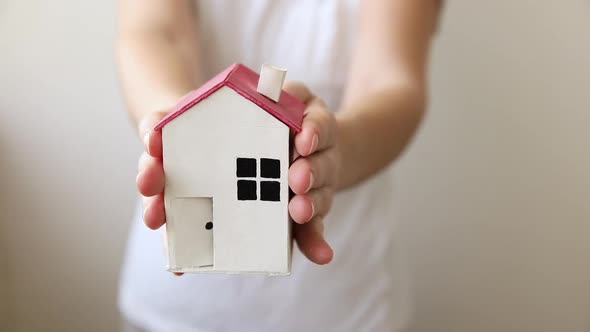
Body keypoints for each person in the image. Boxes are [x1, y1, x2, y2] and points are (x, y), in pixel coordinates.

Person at [117, 1, 441, 331]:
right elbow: (154, 33)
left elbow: (389, 79)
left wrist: (332, 155)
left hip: (343, 303)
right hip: (173, 308)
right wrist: (172, 128)